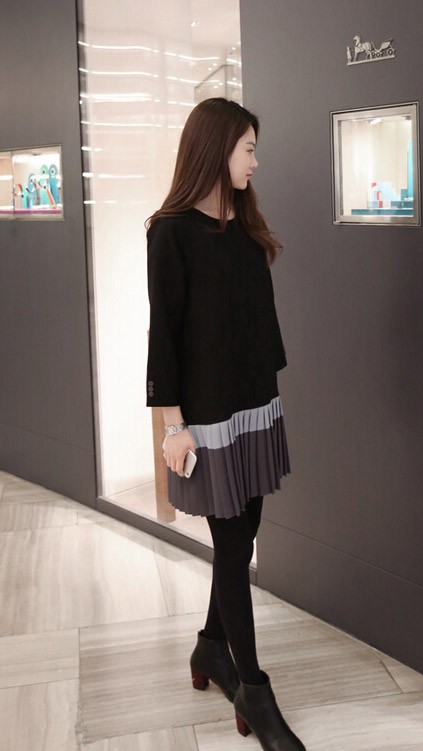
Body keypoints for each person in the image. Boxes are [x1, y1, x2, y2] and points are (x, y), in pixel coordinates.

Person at [145, 97, 306, 751]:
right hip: (207, 419)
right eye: (248, 149)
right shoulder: (170, 232)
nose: (255, 162)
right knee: (234, 545)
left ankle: (211, 647)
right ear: (217, 150)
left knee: (244, 538)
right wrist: (173, 426)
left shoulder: (244, 222)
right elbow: (164, 336)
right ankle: (254, 692)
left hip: (255, 405)